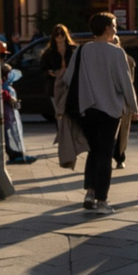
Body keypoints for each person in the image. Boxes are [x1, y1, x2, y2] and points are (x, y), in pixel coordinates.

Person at [67, 12, 138, 215]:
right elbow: (125, 83)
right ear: (107, 29)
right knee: (105, 155)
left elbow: (68, 78)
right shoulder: (116, 53)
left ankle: (89, 192)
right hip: (110, 110)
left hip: (86, 109)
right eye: (114, 26)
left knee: (93, 151)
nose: (115, 29)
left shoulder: (82, 51)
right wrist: (133, 107)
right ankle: (102, 201)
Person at [44, 25, 84, 170]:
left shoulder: (73, 50)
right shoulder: (49, 53)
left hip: (71, 86)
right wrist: (51, 72)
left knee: (70, 113)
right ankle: (64, 140)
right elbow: (42, 69)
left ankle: (70, 140)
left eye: (62, 34)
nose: (60, 37)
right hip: (56, 87)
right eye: (57, 34)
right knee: (59, 114)